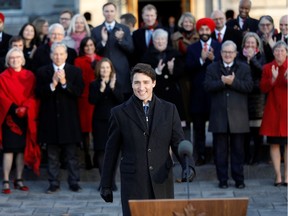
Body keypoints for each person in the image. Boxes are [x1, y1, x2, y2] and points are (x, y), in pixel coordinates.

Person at [99, 63, 194, 216]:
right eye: (137, 82)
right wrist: (106, 184)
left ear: (154, 83)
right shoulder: (119, 113)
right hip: (134, 182)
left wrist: (188, 166)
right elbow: (111, 151)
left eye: (145, 82)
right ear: (131, 84)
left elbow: (178, 142)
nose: (141, 87)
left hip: (161, 179)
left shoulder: (170, 110)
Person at [35, 42, 84, 194]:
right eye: (55, 54)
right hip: (50, 121)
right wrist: (53, 84)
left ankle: (74, 182)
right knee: (52, 155)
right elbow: (38, 93)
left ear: (66, 55)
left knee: (72, 155)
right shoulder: (43, 71)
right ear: (51, 55)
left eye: (61, 54)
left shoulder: (75, 71)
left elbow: (78, 92)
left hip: (69, 121)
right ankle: (53, 183)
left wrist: (64, 83)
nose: (58, 56)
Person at [204, 40, 253, 189]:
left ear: (236, 53)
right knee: (220, 152)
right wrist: (222, 82)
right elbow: (206, 86)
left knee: (238, 151)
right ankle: (223, 180)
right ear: (221, 53)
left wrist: (233, 82)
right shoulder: (212, 67)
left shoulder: (244, 68)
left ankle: (239, 180)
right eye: (225, 52)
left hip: (238, 118)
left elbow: (249, 87)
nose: (227, 54)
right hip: (219, 117)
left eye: (230, 52)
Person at [0, 47, 41, 194]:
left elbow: (33, 95)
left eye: (17, 57)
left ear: (22, 60)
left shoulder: (30, 75)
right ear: (8, 60)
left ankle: (18, 178)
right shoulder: (2, 77)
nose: (15, 60)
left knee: (21, 150)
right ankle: (5, 179)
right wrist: (14, 109)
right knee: (9, 150)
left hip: (25, 117)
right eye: (12, 58)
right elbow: (1, 96)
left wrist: (25, 108)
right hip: (9, 117)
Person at [186, 17, 221, 166]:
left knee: (216, 128)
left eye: (207, 29)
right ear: (198, 30)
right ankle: (199, 156)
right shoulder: (192, 48)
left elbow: (224, 67)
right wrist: (201, 59)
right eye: (202, 29)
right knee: (199, 128)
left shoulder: (219, 46)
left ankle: (215, 157)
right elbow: (188, 68)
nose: (205, 32)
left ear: (211, 30)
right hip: (198, 94)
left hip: (215, 94)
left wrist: (214, 60)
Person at [88, 58, 124, 190]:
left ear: (111, 69)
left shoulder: (117, 83)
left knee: (113, 150)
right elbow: (92, 100)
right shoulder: (94, 84)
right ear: (99, 69)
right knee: (101, 151)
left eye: (107, 67)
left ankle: (111, 181)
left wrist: (113, 88)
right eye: (102, 68)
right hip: (99, 121)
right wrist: (101, 89)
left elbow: (121, 100)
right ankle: (104, 181)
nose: (105, 70)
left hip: (114, 121)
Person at [141, 29, 186, 125]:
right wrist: (157, 71)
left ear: (166, 40)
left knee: (174, 123)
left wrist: (171, 70)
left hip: (173, 94)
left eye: (163, 39)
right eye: (158, 39)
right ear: (153, 41)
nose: (160, 42)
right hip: (155, 94)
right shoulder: (147, 55)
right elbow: (143, 75)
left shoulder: (174, 53)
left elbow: (182, 73)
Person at [91, 2, 134, 100]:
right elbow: (94, 51)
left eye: (111, 11)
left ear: (115, 12)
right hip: (103, 72)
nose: (109, 13)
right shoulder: (96, 30)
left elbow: (131, 49)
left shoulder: (124, 29)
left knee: (123, 102)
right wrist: (103, 41)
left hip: (121, 72)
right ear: (103, 12)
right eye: (107, 11)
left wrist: (121, 40)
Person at [260, 41, 287, 186]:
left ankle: (287, 175)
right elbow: (263, 88)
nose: (279, 53)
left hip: (287, 111)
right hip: (273, 111)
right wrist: (273, 79)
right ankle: (278, 176)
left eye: (282, 51)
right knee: (274, 144)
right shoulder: (267, 67)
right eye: (277, 51)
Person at [237, 32, 266, 164]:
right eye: (247, 43)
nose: (249, 45)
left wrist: (252, 59)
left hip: (257, 99)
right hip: (242, 98)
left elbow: (263, 72)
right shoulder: (238, 57)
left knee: (257, 131)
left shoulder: (261, 57)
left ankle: (257, 157)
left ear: (257, 45)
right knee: (245, 131)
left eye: (252, 43)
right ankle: (246, 156)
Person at [74, 37, 102, 170]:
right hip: (84, 99)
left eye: (91, 45)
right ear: (82, 48)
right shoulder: (78, 61)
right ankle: (87, 159)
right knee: (86, 130)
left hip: (99, 99)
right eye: (86, 45)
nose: (89, 47)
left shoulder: (101, 59)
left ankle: (98, 158)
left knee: (98, 129)